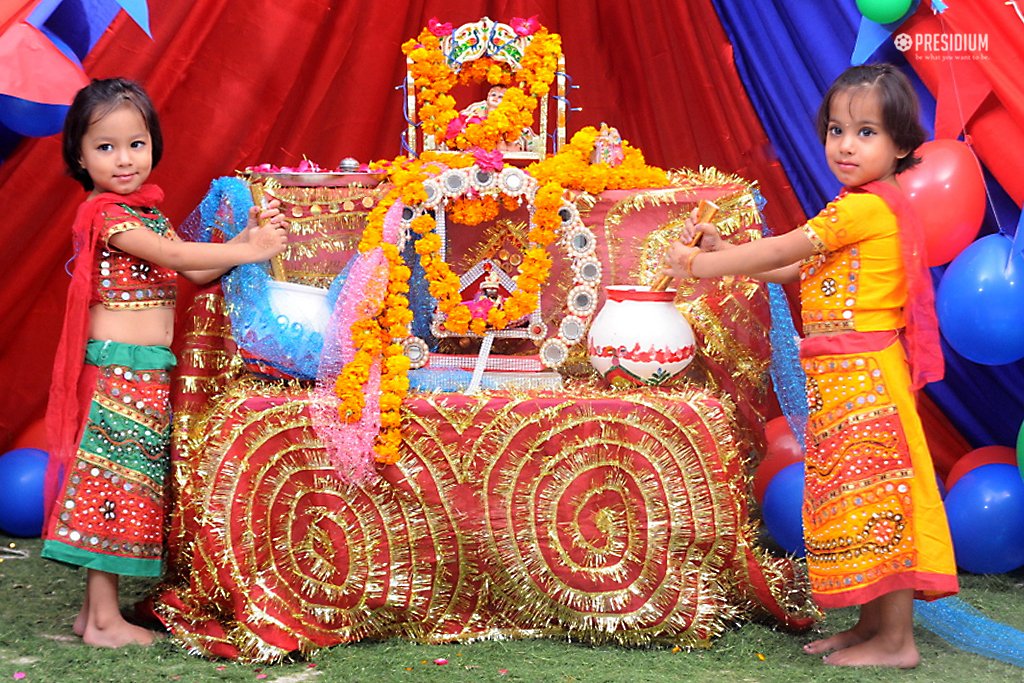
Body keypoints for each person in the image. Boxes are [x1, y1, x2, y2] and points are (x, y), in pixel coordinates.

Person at [663, 63, 957, 669]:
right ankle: (872, 626)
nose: (846, 145)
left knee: (879, 504)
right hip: (845, 379)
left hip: (865, 381)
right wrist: (724, 253)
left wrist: (697, 267)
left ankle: (897, 643)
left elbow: (781, 247)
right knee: (857, 501)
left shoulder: (861, 211)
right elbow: (792, 268)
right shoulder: (857, 208)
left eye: (867, 132)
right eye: (837, 130)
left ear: (903, 145)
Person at [39, 77, 288, 648]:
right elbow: (176, 256)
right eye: (105, 147)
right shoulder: (108, 216)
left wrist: (244, 238)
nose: (124, 159)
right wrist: (247, 250)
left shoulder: (146, 215)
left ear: (153, 145)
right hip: (118, 373)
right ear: (79, 154)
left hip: (146, 371)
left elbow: (193, 270)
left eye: (136, 143)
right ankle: (102, 621)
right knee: (110, 488)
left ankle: (94, 615)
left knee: (121, 487)